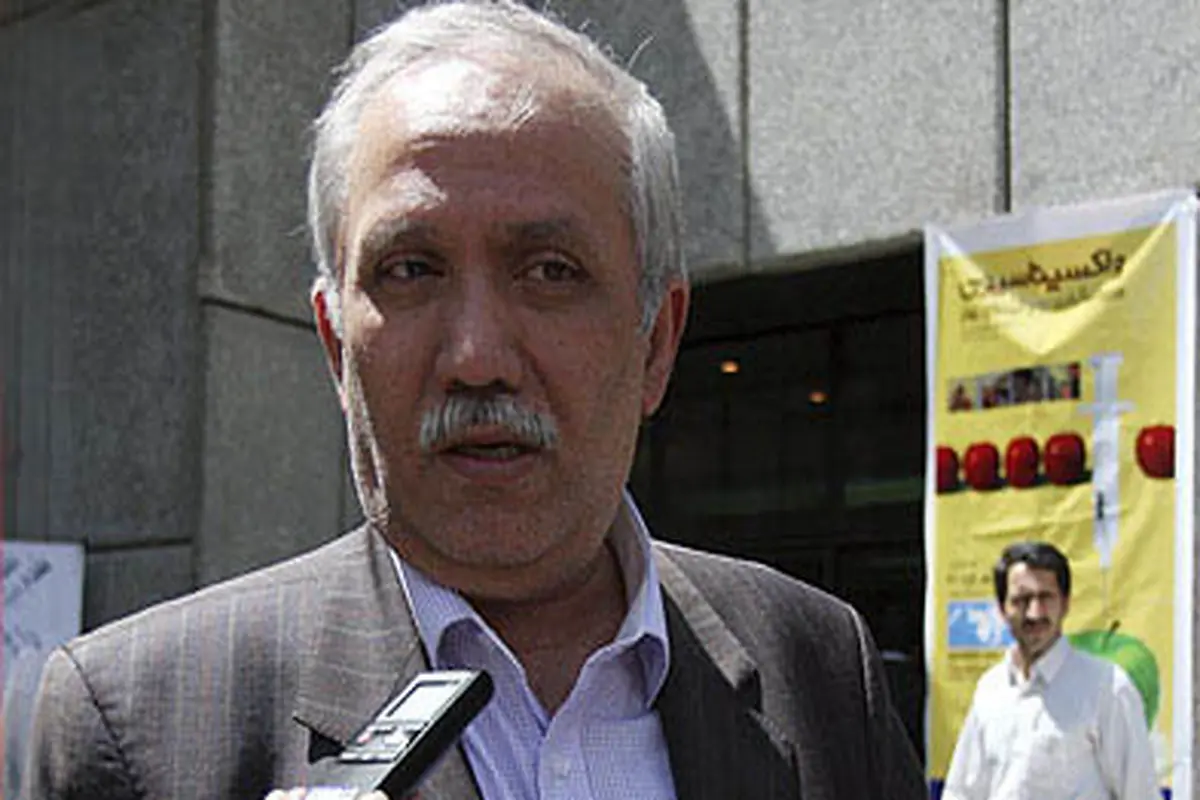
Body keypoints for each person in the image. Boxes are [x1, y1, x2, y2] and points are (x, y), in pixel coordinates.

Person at [21, 2, 924, 798]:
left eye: (551, 271)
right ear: (336, 347)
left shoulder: (818, 668)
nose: (478, 358)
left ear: (655, 342)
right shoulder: (138, 726)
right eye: (411, 270)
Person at [943, 541, 1158, 799]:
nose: (1034, 613)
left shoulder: (1106, 687)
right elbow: (962, 792)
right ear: (1002, 609)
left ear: (1065, 604)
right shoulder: (991, 689)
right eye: (1021, 600)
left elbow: (1140, 793)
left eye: (1045, 598)